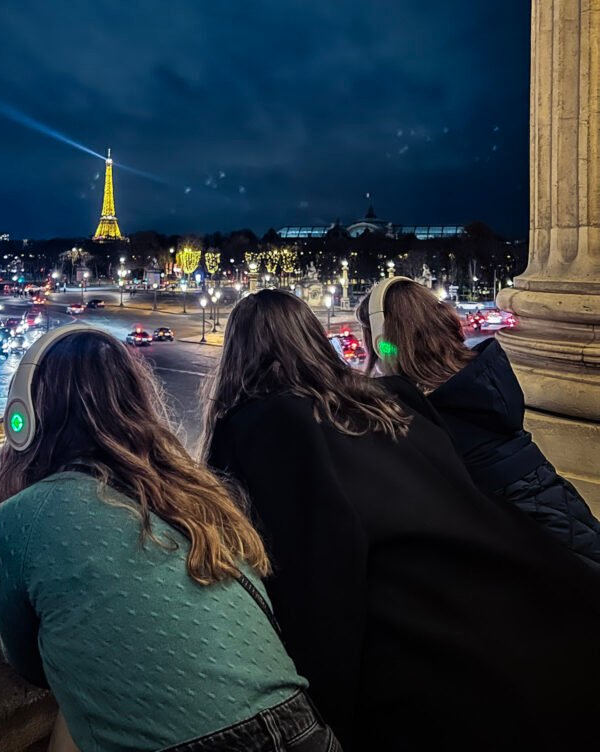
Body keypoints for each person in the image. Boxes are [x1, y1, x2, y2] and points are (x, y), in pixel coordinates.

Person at [201, 289, 600, 751]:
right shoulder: (393, 400)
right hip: (546, 623)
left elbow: (316, 579)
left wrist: (329, 710)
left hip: (438, 676)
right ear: (312, 339)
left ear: (237, 356)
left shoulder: (260, 426)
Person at [0, 326, 340, 752]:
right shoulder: (199, 496)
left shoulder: (18, 520)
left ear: (23, 420)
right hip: (301, 727)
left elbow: (30, 665)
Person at [355, 277, 600, 567]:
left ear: (384, 345)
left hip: (533, 546)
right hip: (555, 514)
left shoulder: (426, 418)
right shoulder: (480, 384)